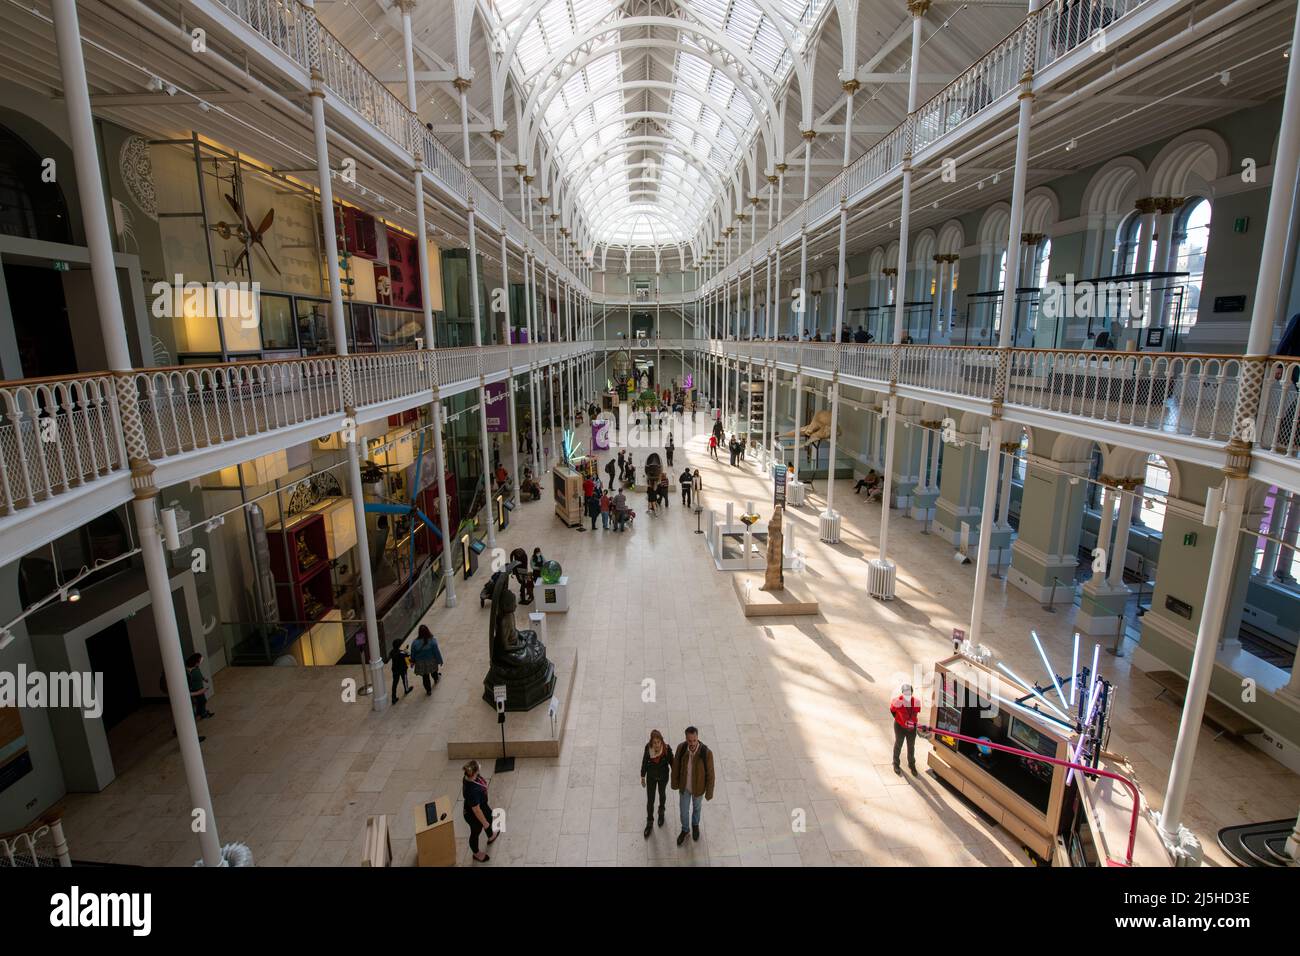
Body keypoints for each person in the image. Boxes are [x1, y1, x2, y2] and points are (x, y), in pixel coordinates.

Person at [670, 726, 715, 845]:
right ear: (686, 739)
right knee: (683, 811)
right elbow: (675, 767)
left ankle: (695, 825)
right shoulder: (681, 748)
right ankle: (685, 829)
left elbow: (711, 775)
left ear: (697, 738)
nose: (692, 743)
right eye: (689, 740)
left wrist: (709, 792)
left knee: (697, 808)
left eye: (694, 740)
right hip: (684, 787)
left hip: (698, 789)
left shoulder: (707, 753)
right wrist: (674, 783)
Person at [461, 760, 498, 862]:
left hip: (482, 805)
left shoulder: (469, 777)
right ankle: (476, 853)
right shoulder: (473, 791)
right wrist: (484, 823)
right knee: (476, 831)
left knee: (489, 817)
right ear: (474, 772)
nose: (480, 766)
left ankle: (490, 836)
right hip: (473, 814)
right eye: (478, 766)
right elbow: (476, 811)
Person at [641, 729, 673, 838]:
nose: (657, 745)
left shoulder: (666, 750)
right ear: (651, 742)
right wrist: (642, 776)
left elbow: (672, 763)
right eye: (654, 743)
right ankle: (649, 822)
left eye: (658, 742)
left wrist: (676, 776)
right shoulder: (648, 749)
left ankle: (661, 812)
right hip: (651, 778)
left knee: (662, 794)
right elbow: (644, 762)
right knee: (650, 800)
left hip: (663, 777)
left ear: (661, 741)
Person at [891, 683, 922, 777]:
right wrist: (900, 720)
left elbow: (916, 713)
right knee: (898, 744)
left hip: (912, 728)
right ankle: (896, 763)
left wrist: (911, 723)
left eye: (909, 694)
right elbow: (892, 710)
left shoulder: (916, 702)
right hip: (900, 726)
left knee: (911, 746)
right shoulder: (897, 701)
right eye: (906, 694)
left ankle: (911, 765)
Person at [409, 625, 443, 695]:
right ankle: (436, 679)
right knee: (434, 672)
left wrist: (412, 661)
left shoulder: (414, 643)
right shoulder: (432, 641)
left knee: (425, 677)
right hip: (431, 661)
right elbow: (436, 652)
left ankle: (428, 690)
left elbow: (413, 653)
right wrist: (440, 661)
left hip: (420, 663)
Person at [186, 653, 213, 719]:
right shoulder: (189, 671)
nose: (199, 663)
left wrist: (204, 679)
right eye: (199, 662)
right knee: (202, 700)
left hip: (200, 687)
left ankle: (200, 712)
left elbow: (200, 675)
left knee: (201, 701)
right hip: (195, 689)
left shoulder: (196, 667)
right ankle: (203, 713)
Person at [388, 639, 411, 705]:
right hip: (402, 669)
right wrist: (405, 650)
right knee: (405, 680)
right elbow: (408, 655)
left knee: (395, 683)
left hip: (395, 669)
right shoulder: (401, 653)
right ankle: (406, 690)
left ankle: (393, 697)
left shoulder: (391, 652)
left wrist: (403, 651)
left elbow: (396, 654)